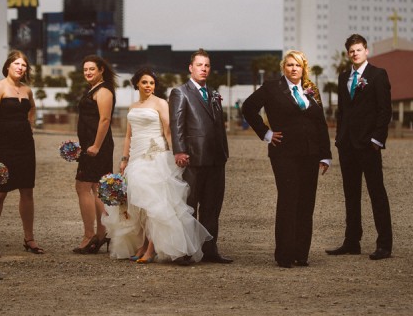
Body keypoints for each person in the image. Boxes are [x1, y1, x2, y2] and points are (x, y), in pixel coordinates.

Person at [104, 68, 212, 264]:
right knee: (140, 204)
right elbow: (128, 136)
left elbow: (168, 131)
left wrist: (176, 153)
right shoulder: (132, 106)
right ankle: (143, 244)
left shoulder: (161, 103)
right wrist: (124, 158)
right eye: (145, 82)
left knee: (155, 202)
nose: (148, 86)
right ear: (137, 84)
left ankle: (151, 249)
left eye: (152, 83)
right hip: (136, 157)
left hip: (156, 155)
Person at [242, 50, 332, 268]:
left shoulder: (311, 89)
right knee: (288, 200)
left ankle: (301, 254)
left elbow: (320, 123)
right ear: (284, 67)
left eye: (298, 65)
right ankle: (284, 255)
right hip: (284, 154)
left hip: (310, 154)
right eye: (290, 64)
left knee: (306, 203)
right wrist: (266, 133)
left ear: (303, 68)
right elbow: (248, 108)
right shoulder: (272, 87)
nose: (294, 68)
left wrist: (325, 154)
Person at [326, 34, 393, 260]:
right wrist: (339, 138)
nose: (355, 53)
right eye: (351, 51)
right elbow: (343, 111)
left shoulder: (378, 75)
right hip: (347, 146)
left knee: (377, 194)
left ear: (366, 51)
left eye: (358, 49)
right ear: (348, 54)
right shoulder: (343, 77)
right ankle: (352, 241)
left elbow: (385, 110)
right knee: (351, 195)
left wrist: (377, 140)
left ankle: (384, 245)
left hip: (368, 145)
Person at [168, 48, 232, 263]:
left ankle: (210, 250)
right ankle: (186, 251)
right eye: (199, 65)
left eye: (207, 65)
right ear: (191, 68)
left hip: (216, 158)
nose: (203, 69)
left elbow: (218, 126)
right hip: (193, 158)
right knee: (189, 206)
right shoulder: (180, 92)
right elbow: (177, 123)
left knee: (212, 206)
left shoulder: (213, 93)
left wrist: (224, 151)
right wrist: (179, 150)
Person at [0, 50, 43, 258]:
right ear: (8, 66)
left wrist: (30, 125)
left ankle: (29, 239)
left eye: (23, 65)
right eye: (16, 64)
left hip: (26, 146)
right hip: (4, 146)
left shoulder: (27, 90)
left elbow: (32, 109)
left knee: (27, 192)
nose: (20, 67)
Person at [73, 55, 117, 254]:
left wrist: (96, 145)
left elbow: (105, 119)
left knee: (83, 186)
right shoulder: (93, 89)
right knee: (97, 188)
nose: (88, 72)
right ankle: (101, 234)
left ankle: (89, 235)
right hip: (89, 146)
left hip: (97, 147)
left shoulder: (104, 90)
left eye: (92, 69)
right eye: (85, 70)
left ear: (101, 70)